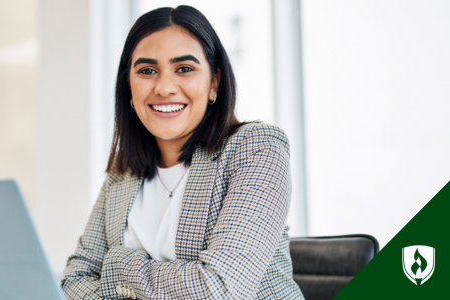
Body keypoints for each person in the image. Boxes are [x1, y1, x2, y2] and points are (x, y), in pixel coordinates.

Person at [62, 5, 304, 300]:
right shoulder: (123, 173)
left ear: (214, 82)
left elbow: (220, 289)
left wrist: (119, 265)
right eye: (147, 71)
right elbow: (74, 281)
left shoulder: (257, 149)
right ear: (129, 86)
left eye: (184, 69)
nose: (164, 87)